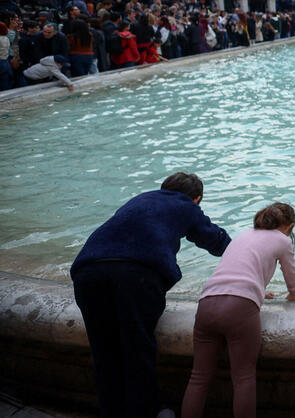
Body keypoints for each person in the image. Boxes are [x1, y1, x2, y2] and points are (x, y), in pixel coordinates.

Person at [71, 173, 231, 418]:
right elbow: (216, 241)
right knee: (137, 350)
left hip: (87, 272)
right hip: (136, 275)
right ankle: (145, 412)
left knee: (104, 353)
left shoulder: (140, 199)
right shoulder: (186, 205)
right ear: (197, 199)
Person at [180, 203, 295, 418]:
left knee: (198, 377)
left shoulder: (244, 235)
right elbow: (293, 278)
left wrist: (260, 290)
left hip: (207, 302)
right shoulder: (282, 240)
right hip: (240, 307)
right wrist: (292, 295)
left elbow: (238, 269)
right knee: (243, 378)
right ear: (288, 226)